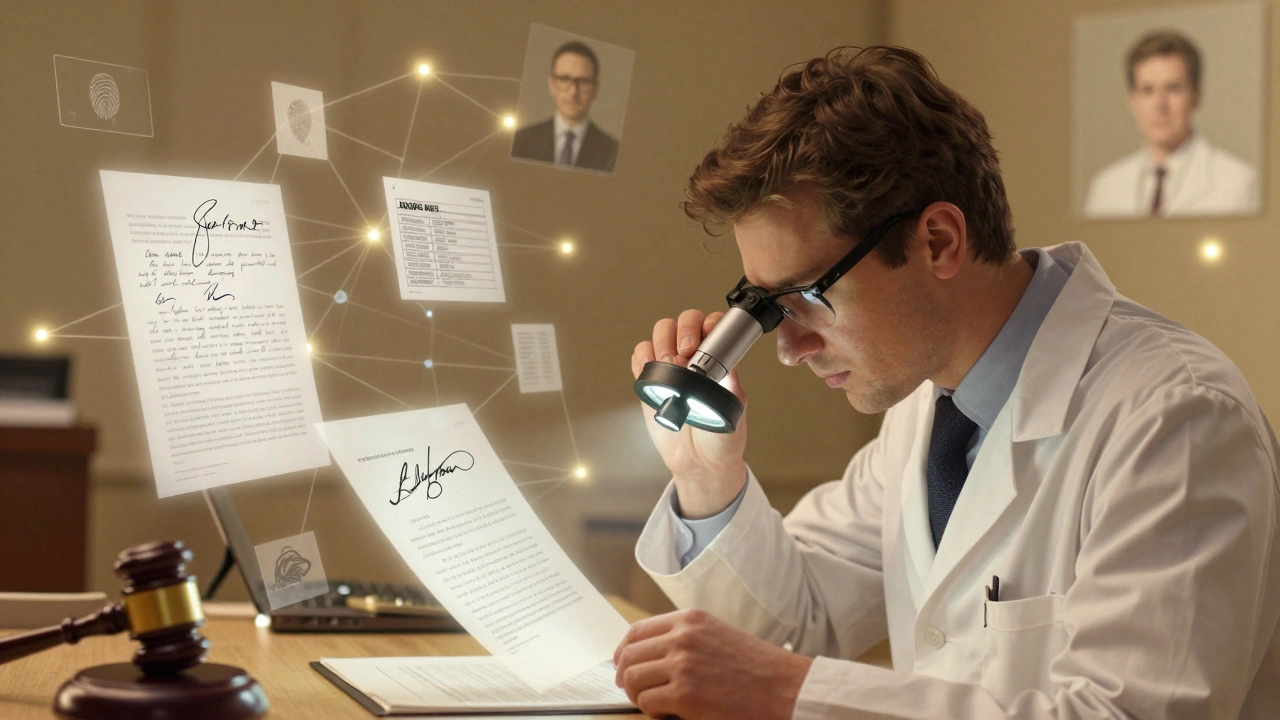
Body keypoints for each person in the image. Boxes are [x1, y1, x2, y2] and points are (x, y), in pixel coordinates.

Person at [615, 46, 1279, 720]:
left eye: (805, 295)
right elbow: (793, 625)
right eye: (763, 308)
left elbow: (1127, 715)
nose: (787, 348)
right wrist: (707, 478)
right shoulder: (931, 409)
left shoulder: (1177, 418)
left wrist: (791, 693)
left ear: (937, 240)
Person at [1083, 30, 1259, 218]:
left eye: (1173, 89)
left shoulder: (1239, 183)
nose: (1160, 105)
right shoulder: (1105, 187)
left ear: (1196, 97)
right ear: (1132, 101)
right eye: (1147, 90)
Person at [510, 40, 619, 173]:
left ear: (595, 90)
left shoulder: (613, 151)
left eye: (584, 82)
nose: (573, 92)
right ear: (552, 85)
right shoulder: (520, 141)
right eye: (564, 79)